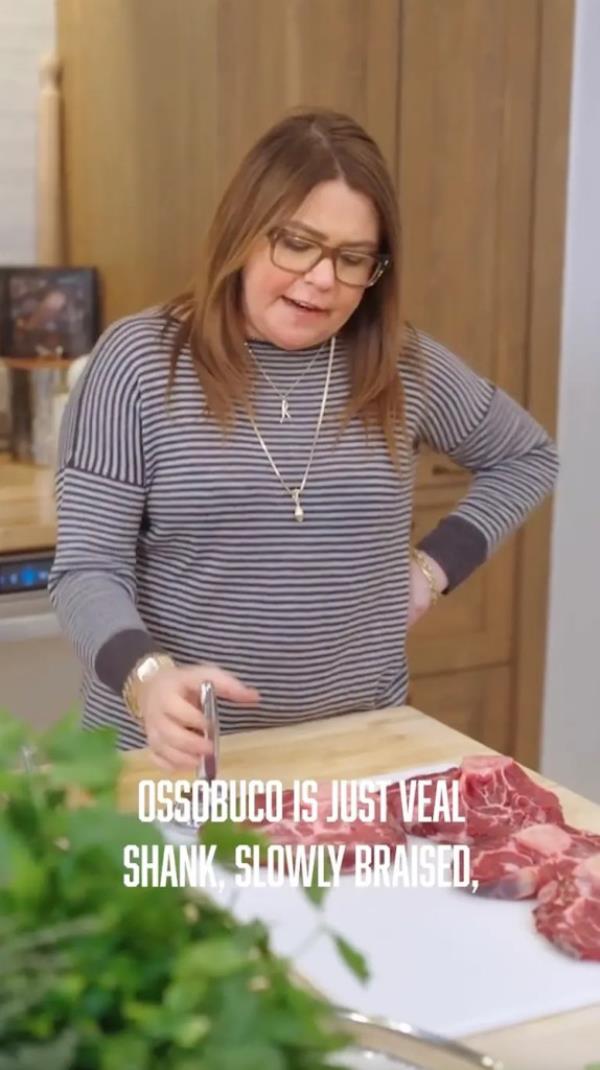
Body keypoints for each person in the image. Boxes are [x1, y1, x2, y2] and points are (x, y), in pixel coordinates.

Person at [49, 108, 558, 769]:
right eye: (298, 243)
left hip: (354, 753)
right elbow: (87, 568)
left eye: (353, 258)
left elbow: (526, 456)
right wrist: (144, 679)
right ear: (244, 232)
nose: (323, 278)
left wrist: (429, 573)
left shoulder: (401, 364)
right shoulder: (142, 361)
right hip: (173, 762)